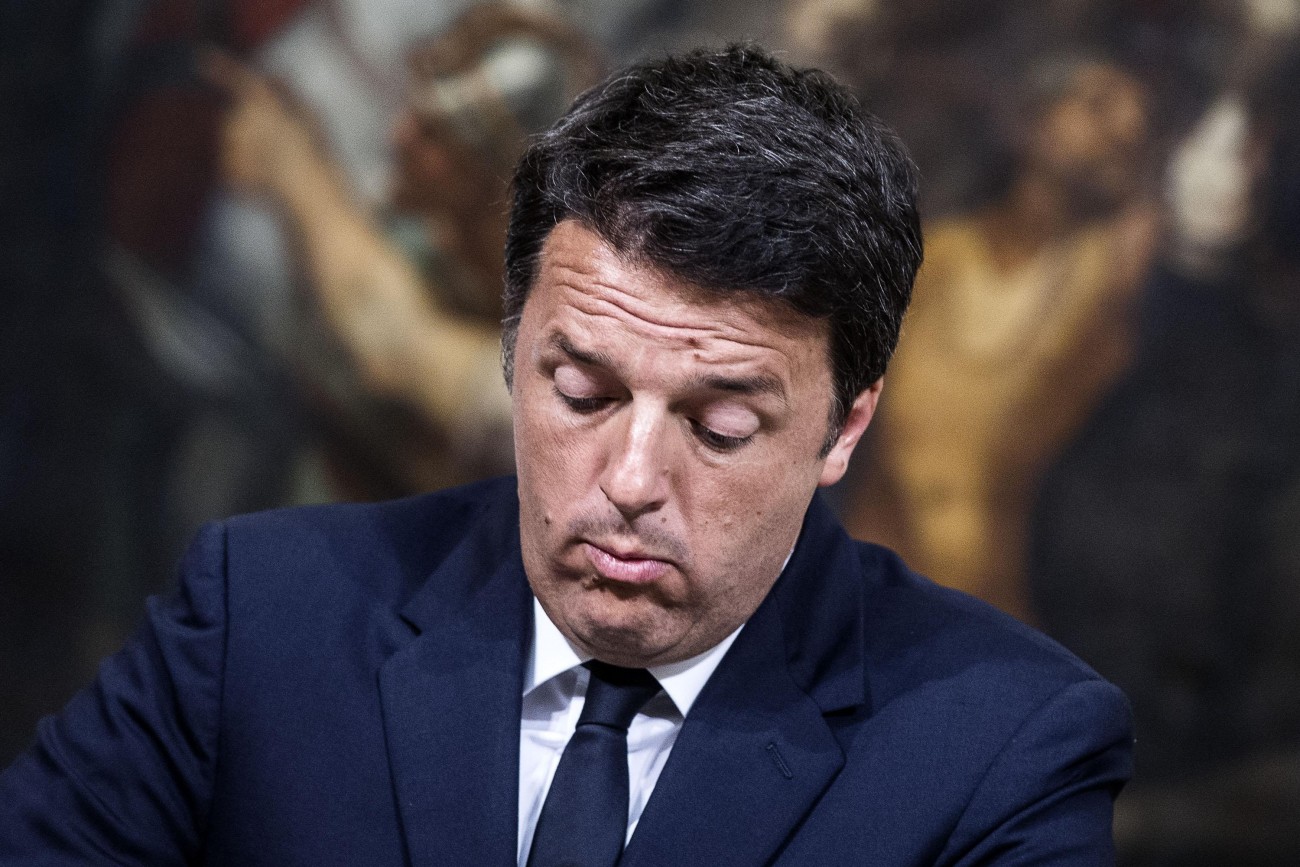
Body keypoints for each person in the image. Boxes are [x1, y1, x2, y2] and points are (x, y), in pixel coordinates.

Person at [0, 46, 1132, 864]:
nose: (630, 483)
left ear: (844, 427)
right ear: (512, 351)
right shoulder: (259, 615)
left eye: (719, 426)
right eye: (581, 392)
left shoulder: (1004, 746)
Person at [842, 51, 1158, 621]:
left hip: (984, 594)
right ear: (1031, 121)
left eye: (1135, 126)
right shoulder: (938, 255)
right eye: (1098, 106)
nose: (1119, 134)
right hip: (868, 566)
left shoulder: (1107, 282)